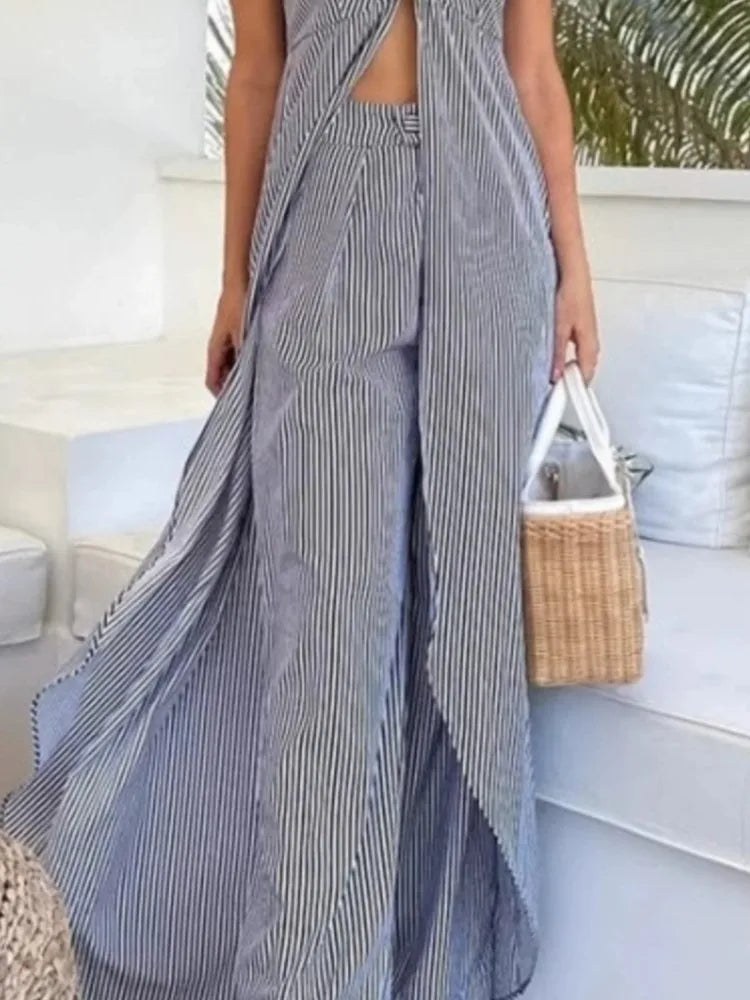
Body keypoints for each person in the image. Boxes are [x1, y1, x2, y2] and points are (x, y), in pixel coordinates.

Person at [1, 0, 598, 997]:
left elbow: (531, 68)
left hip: (493, 237)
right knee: (330, 643)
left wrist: (574, 270)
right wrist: (235, 279)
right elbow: (257, 74)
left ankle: (430, 974)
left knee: (464, 639)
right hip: (327, 218)